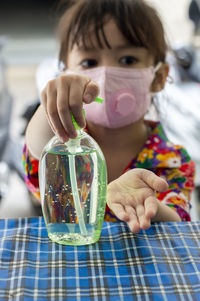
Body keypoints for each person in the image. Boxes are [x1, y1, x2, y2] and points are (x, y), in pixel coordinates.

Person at [23, 0, 195, 233]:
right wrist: (51, 106)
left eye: (127, 60)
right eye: (89, 62)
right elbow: (37, 147)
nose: (105, 76)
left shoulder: (171, 159)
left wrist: (148, 207)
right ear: (65, 75)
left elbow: (179, 226)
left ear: (159, 77)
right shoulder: (65, 148)